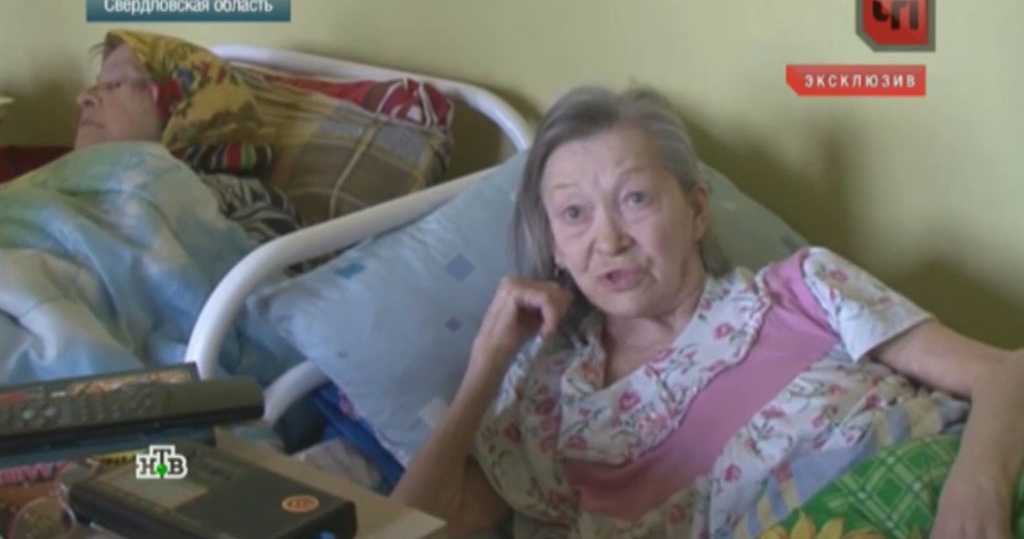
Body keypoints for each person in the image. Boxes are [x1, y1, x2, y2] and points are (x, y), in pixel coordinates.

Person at [392, 85, 1024, 538]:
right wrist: (487, 361)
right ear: (555, 246)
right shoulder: (548, 407)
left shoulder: (804, 289)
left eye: (635, 199)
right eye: (575, 214)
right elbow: (405, 528)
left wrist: (977, 490)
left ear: (696, 211)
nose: (608, 240)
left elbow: (1005, 374)